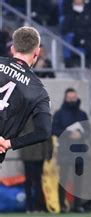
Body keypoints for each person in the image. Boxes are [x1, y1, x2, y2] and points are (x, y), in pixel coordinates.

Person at [0, 27, 52, 163]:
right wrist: (9, 143)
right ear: (37, 52)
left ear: (12, 48)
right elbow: (44, 131)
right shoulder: (39, 91)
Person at [52, 88, 90, 213]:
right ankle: (61, 205)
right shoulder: (59, 114)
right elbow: (54, 130)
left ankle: (78, 205)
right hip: (65, 150)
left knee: (79, 179)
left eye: (74, 98)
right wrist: (68, 134)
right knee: (63, 179)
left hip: (79, 150)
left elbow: (88, 131)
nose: (72, 100)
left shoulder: (82, 114)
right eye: (70, 98)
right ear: (65, 98)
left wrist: (81, 135)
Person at [19, 119, 52, 213]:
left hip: (33, 152)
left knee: (34, 181)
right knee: (34, 181)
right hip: (34, 152)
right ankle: (34, 206)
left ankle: (33, 206)